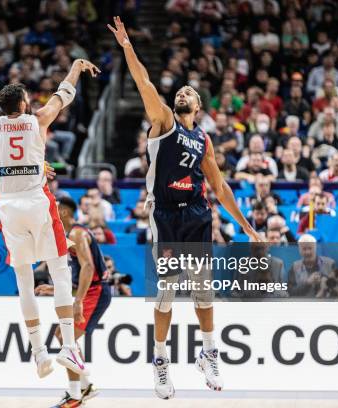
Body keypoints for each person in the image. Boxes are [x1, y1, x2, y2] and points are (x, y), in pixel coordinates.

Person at [109, 16, 262, 398]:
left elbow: (221, 187)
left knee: (203, 293)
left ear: (198, 105)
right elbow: (144, 82)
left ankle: (209, 353)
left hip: (196, 213)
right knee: (166, 293)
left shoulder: (204, 140)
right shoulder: (163, 122)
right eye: (180, 89)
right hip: (165, 213)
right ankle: (160, 361)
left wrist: (245, 226)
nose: (184, 92)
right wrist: (128, 47)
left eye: (190, 91)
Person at [0, 58, 100, 383]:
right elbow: (63, 96)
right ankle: (67, 345)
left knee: (24, 280)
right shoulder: (37, 120)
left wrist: (35, 164)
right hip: (37, 201)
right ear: (23, 103)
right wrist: (76, 68)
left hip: (8, 205)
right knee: (60, 269)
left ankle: (38, 354)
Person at [35, 196, 112, 406]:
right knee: (63, 336)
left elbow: (89, 268)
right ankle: (83, 386)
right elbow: (80, 275)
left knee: (63, 336)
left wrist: (77, 301)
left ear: (65, 212)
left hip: (95, 292)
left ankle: (77, 394)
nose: (51, 212)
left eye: (55, 209)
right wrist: (56, 288)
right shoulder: (68, 234)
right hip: (88, 291)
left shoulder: (77, 233)